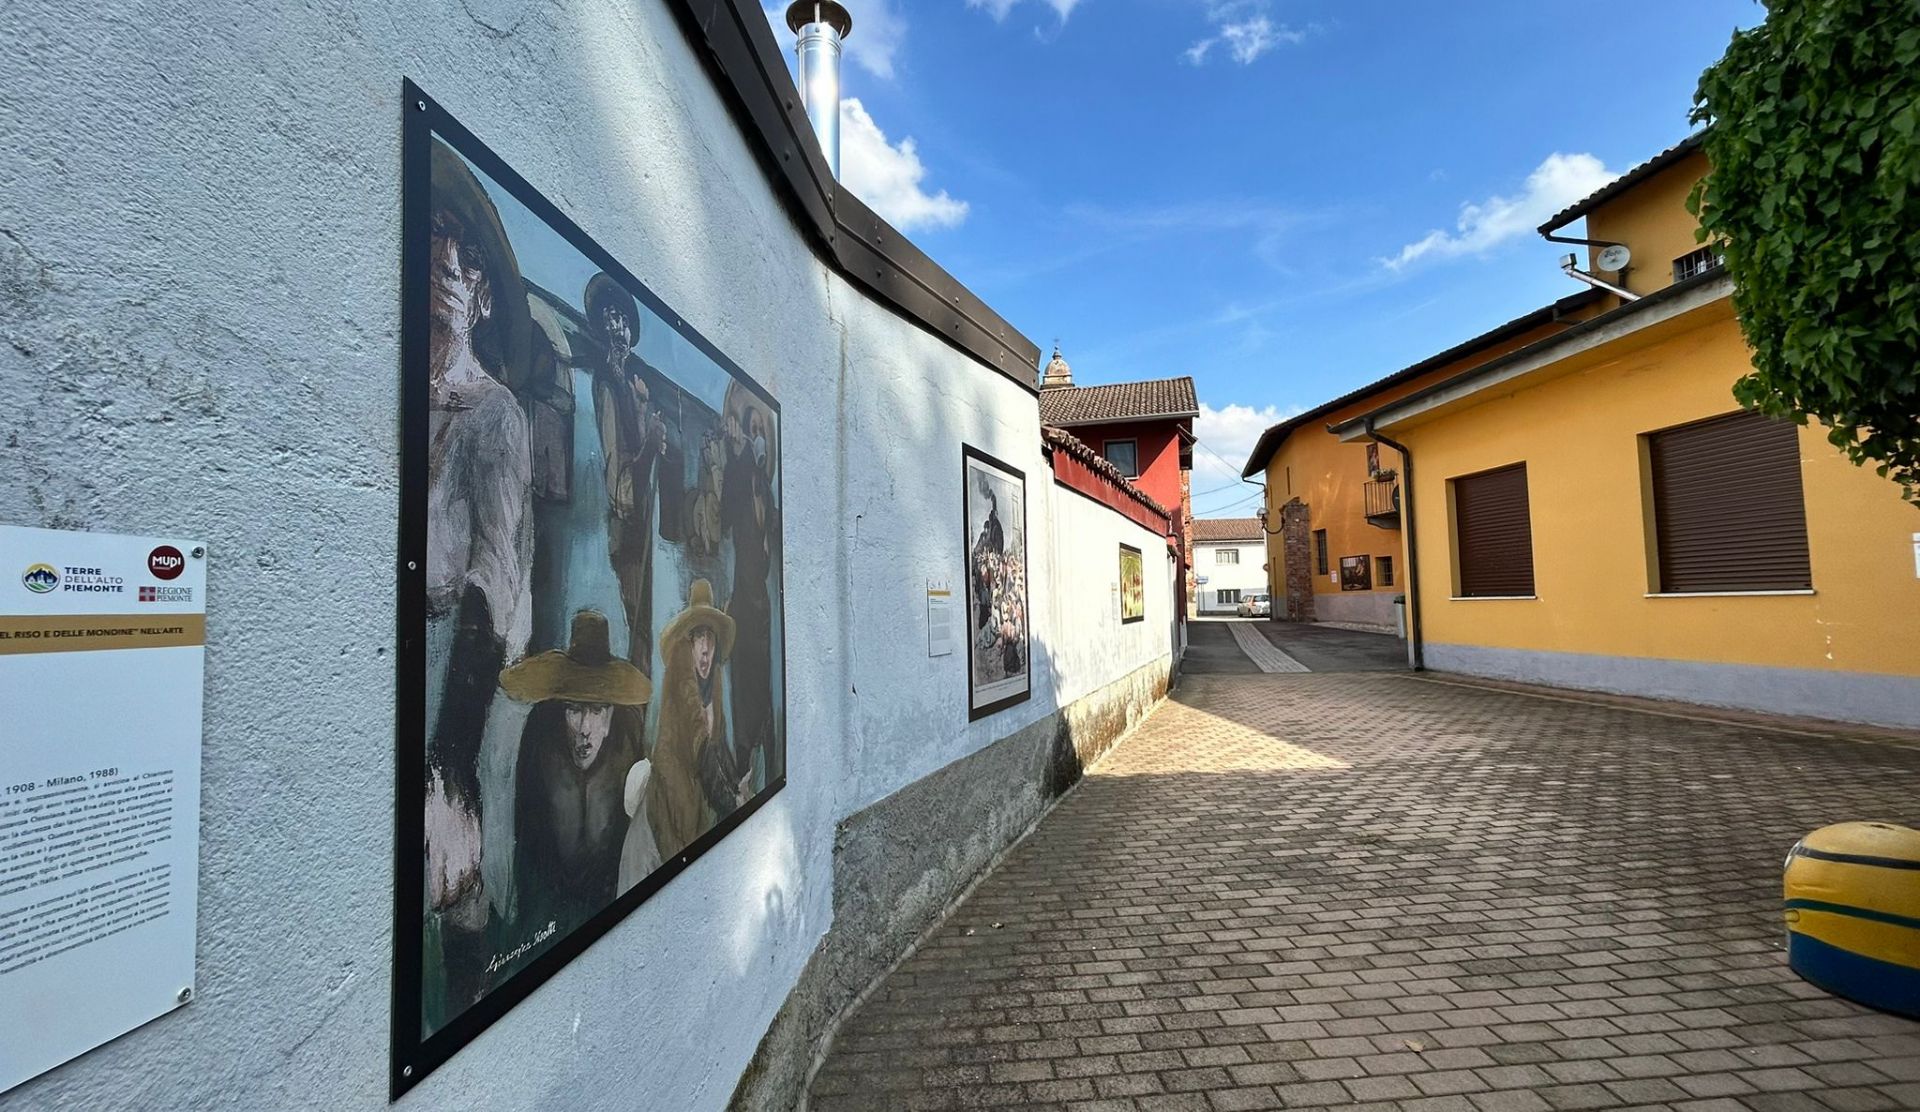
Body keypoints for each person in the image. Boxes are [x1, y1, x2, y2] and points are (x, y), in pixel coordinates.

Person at [422, 139, 534, 1010]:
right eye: (436, 250)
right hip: (417, 654)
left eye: (462, 264)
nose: (446, 271)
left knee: (453, 854)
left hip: (458, 665)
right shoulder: (417, 392)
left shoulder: (494, 413)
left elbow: (494, 575)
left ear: (483, 295)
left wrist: (451, 750)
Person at [499, 610, 650, 937]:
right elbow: (527, 836)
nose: (584, 728)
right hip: (549, 912)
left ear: (610, 717)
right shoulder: (540, 736)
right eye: (574, 709)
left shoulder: (629, 738)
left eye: (596, 711)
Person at [586, 273, 667, 672]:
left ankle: (640, 691)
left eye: (622, 320)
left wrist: (651, 430)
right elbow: (619, 482)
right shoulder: (607, 386)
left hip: (643, 520)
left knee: (644, 623)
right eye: (610, 318)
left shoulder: (635, 384)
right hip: (626, 526)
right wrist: (650, 446)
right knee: (634, 620)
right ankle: (635, 696)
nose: (617, 327)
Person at [645, 579, 742, 859]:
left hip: (700, 797)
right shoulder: (681, 680)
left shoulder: (713, 684)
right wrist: (732, 802)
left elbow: (717, 744)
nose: (705, 648)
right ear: (688, 644)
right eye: (698, 637)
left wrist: (737, 784)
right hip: (673, 797)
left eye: (710, 637)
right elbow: (700, 747)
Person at [722, 402, 777, 785]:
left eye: (761, 431)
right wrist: (740, 456)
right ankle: (742, 759)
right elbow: (725, 515)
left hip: (762, 607)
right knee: (744, 684)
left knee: (763, 682)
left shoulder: (767, 493)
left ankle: (765, 754)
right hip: (742, 602)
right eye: (751, 428)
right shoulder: (738, 477)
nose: (756, 436)